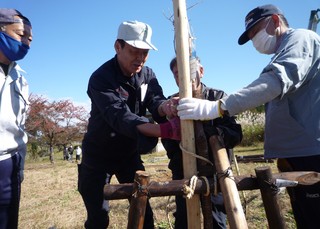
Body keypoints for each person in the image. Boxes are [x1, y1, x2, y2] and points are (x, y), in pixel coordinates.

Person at [177, 4, 320, 229]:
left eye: (255, 32)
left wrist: (218, 108)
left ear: (275, 21)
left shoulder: (302, 38)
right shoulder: (280, 53)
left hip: (313, 153)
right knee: (305, 215)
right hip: (298, 153)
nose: (254, 40)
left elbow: (272, 84)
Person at [78, 20, 180, 229]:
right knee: (98, 217)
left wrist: (167, 107)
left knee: (143, 210)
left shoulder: (148, 74)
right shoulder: (101, 78)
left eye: (145, 52)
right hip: (98, 155)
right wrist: (165, 130)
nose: (140, 58)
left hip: (128, 153)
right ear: (118, 46)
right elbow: (119, 116)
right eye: (135, 51)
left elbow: (155, 100)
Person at [162, 57, 242, 229]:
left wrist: (210, 133)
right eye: (178, 74)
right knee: (184, 220)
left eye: (189, 72)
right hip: (183, 173)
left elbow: (235, 134)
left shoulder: (218, 97)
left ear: (201, 71)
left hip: (216, 172)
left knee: (217, 221)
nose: (183, 78)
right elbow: (167, 142)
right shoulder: (171, 104)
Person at [0, 8, 33, 229]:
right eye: (20, 34)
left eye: (30, 38)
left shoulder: (20, 78)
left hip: (12, 162)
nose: (27, 42)